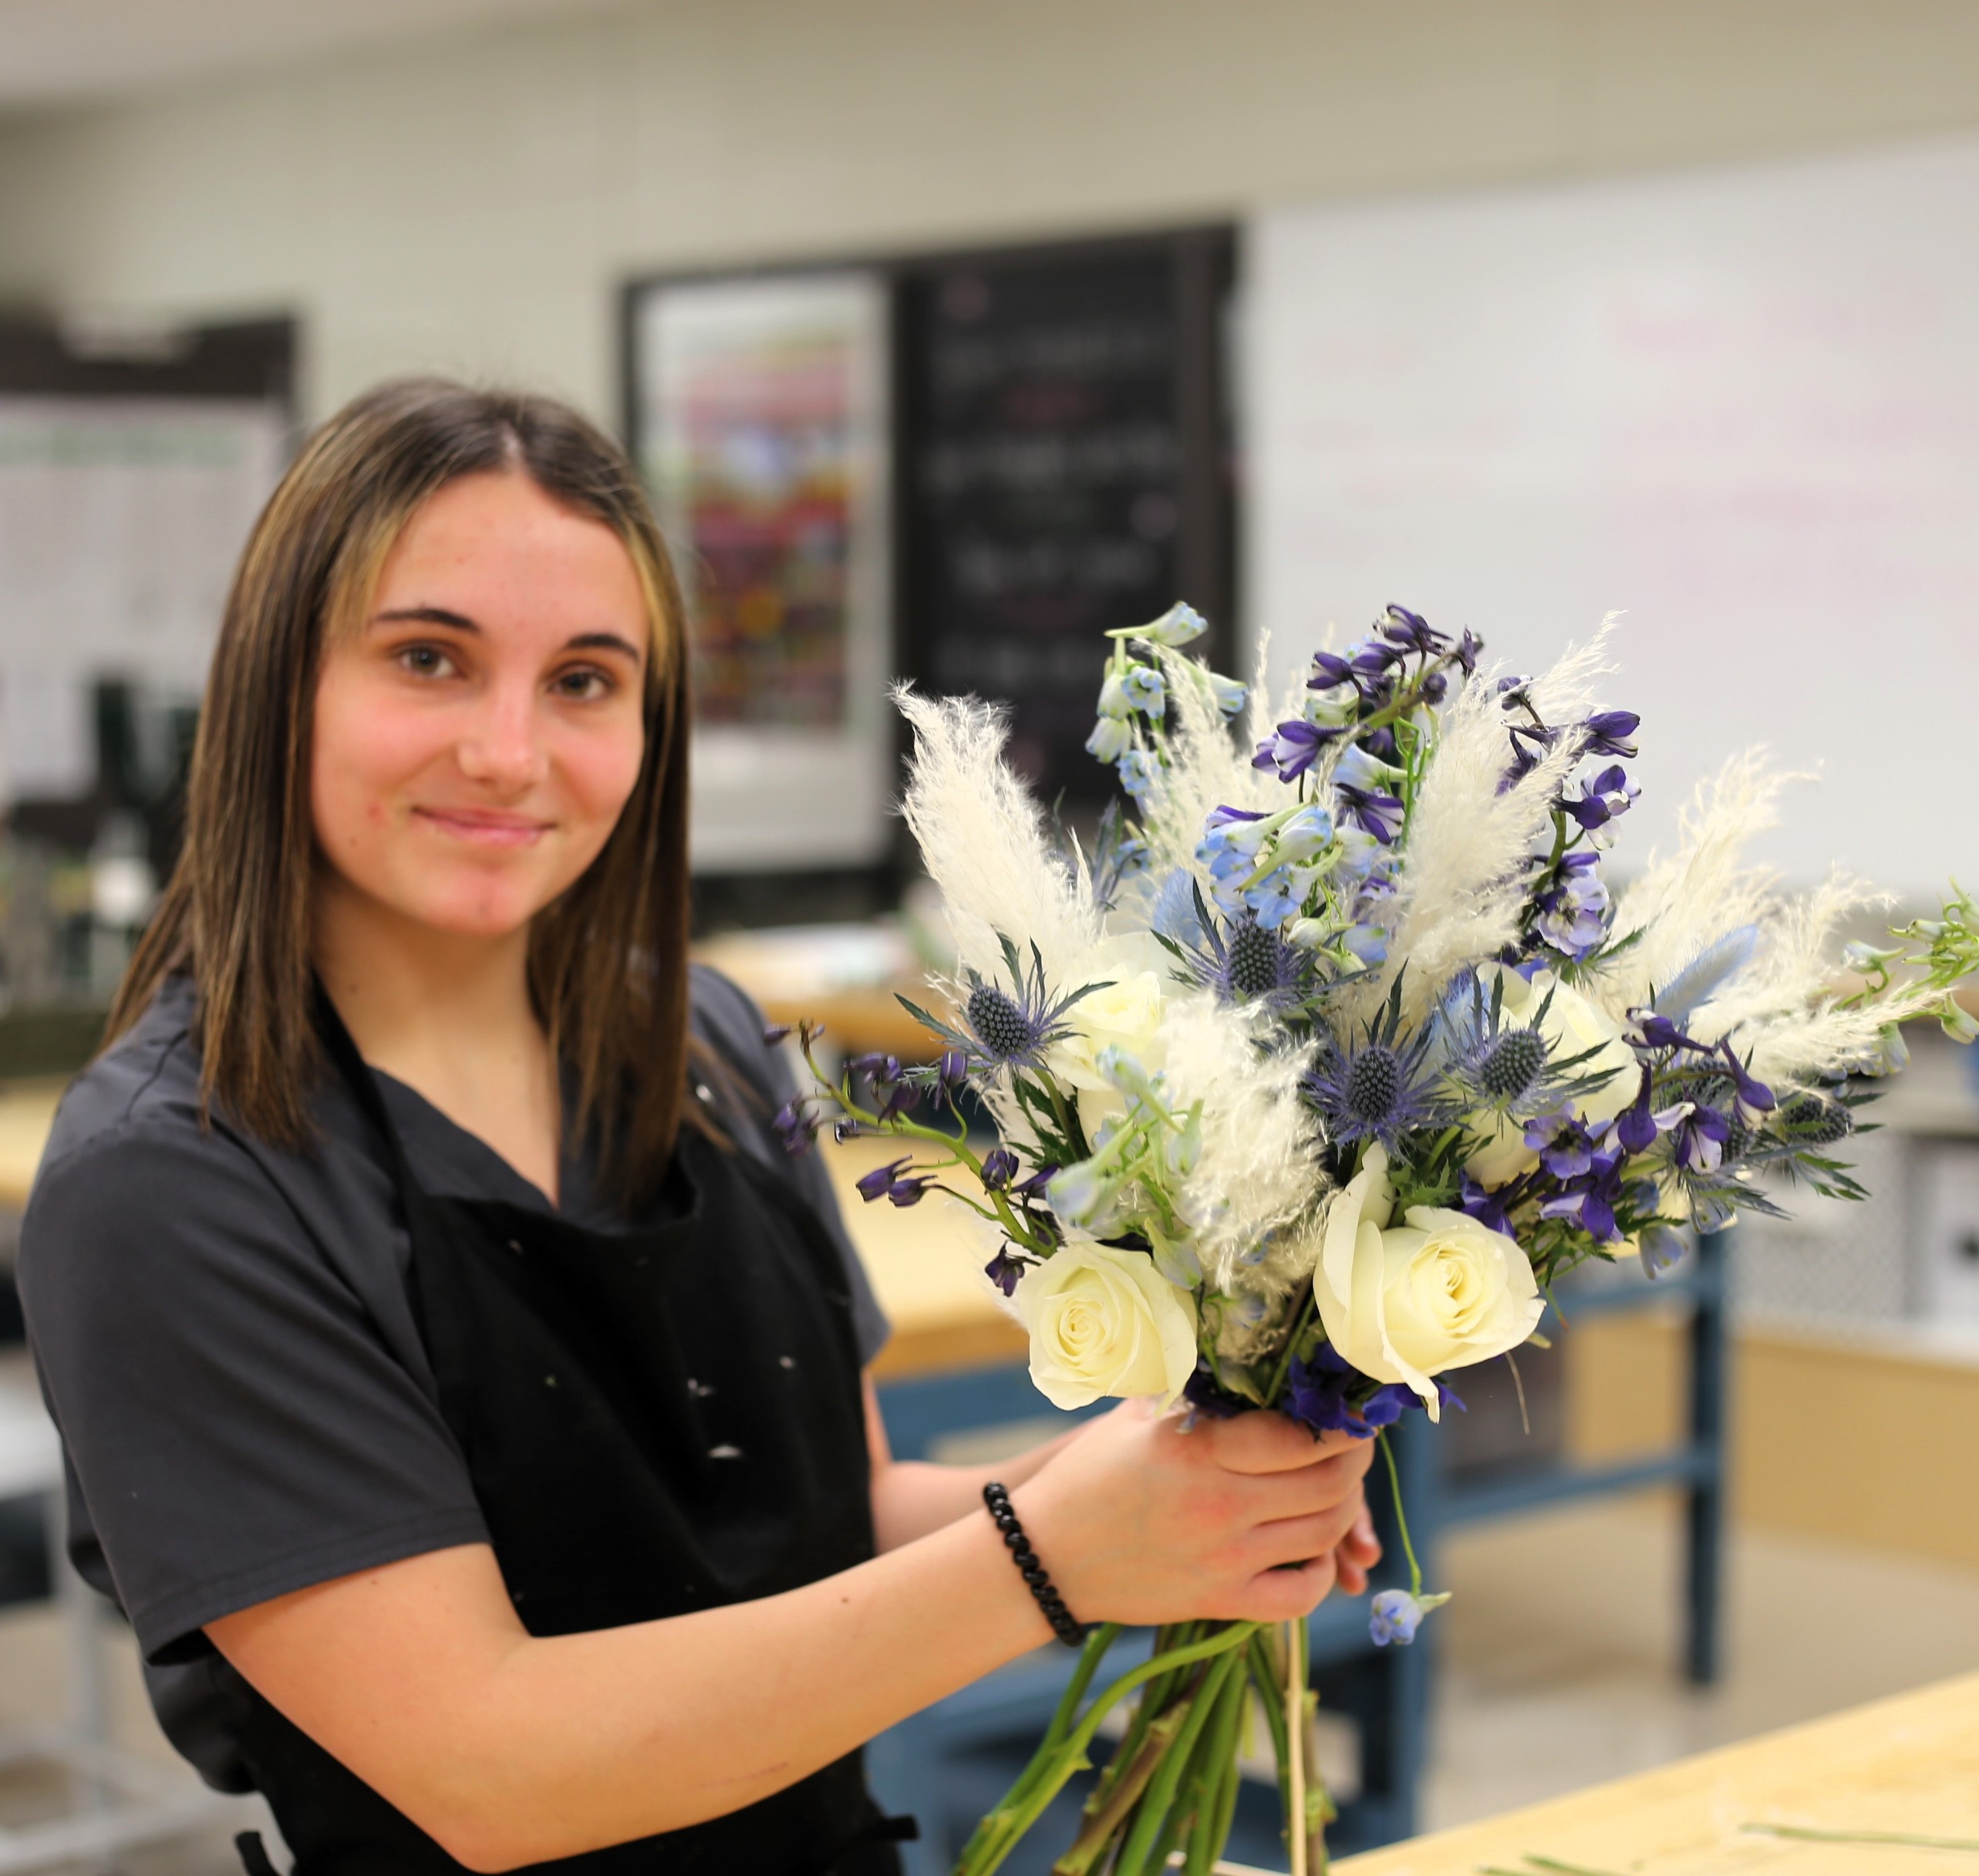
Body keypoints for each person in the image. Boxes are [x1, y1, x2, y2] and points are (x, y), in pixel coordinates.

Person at [18, 379, 1382, 1875]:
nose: (508, 751)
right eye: (429, 659)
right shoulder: (175, 1181)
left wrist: (1169, 1503)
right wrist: (1049, 1557)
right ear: (281, 681)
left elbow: (836, 1513)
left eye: (586, 682)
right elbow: (486, 1768)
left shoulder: (705, 1045)